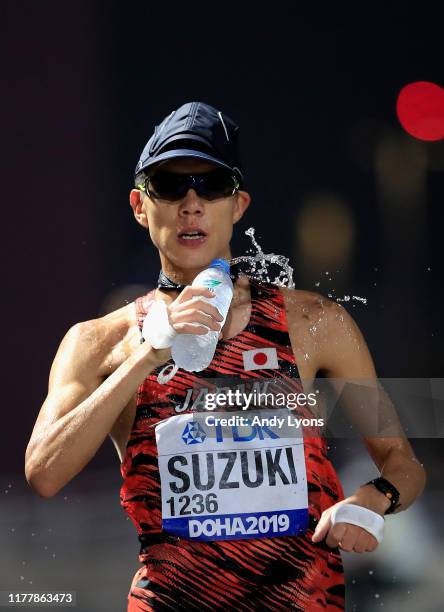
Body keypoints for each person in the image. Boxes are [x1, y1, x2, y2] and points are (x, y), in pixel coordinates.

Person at [25, 102, 426, 611]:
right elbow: (44, 472)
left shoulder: (315, 324)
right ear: (139, 206)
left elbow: (403, 464)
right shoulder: (101, 342)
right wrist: (149, 354)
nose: (192, 204)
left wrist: (373, 499)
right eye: (170, 186)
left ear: (237, 206)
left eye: (210, 186)